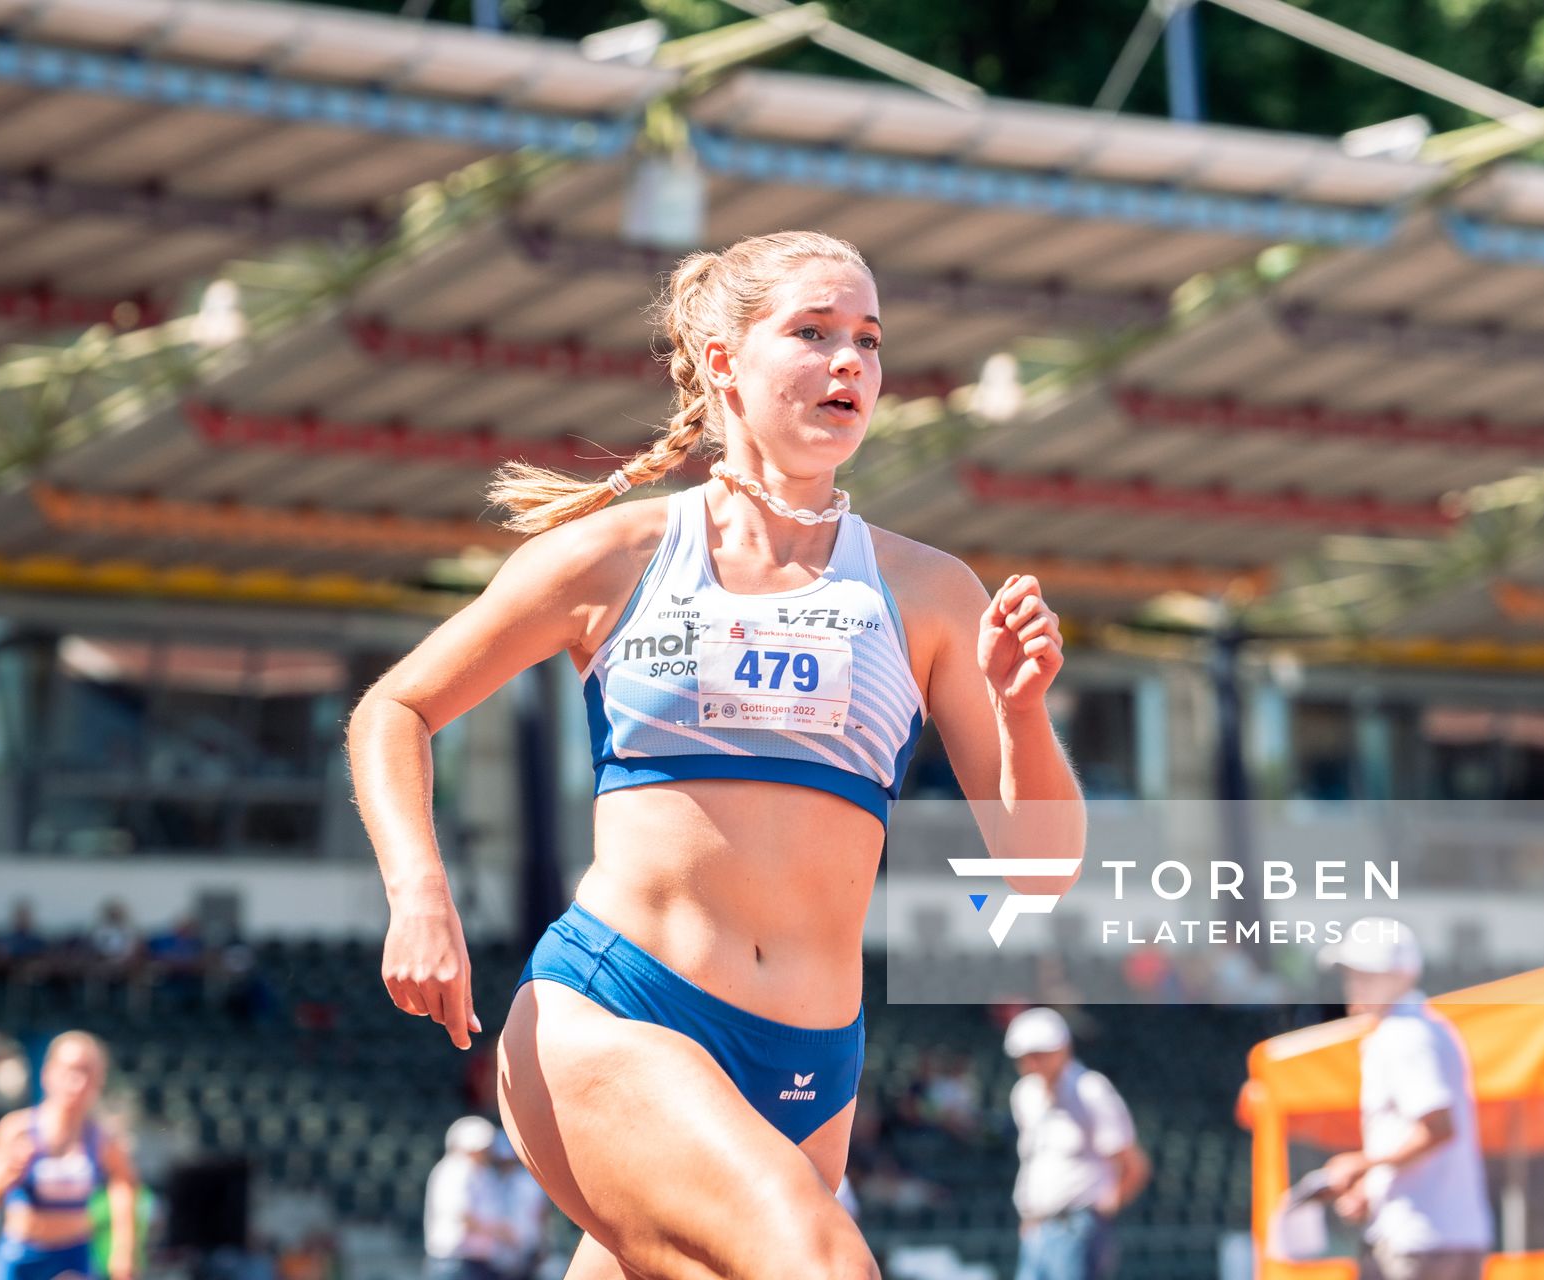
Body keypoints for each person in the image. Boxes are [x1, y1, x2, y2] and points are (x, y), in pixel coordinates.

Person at [348, 228, 1084, 1278]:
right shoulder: (619, 555)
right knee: (827, 1265)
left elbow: (1040, 868)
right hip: (618, 1010)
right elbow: (397, 706)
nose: (850, 364)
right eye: (814, 332)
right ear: (723, 360)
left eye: (869, 341)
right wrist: (419, 890)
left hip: (811, 1068)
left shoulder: (929, 591)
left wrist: (1021, 712)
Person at [1318, 919, 1492, 1280]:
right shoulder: (1427, 1029)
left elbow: (1438, 1127)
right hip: (1441, 1235)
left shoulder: (1403, 1035)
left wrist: (1362, 1164)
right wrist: (1374, 1183)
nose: (1354, 984)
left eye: (1366, 974)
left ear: (1401, 976)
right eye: (1353, 973)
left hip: (1418, 1240)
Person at [0, 1031, 139, 1280]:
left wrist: (124, 1249)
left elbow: (124, 1184)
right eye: (69, 1070)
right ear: (48, 1073)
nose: (77, 1082)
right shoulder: (18, 1129)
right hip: (22, 1256)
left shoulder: (101, 1138)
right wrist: (6, 1172)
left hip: (73, 1258)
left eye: (88, 1072)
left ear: (100, 1080)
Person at [1005, 1007, 1150, 1280]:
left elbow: (1133, 1164)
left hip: (1077, 1228)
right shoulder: (1024, 1095)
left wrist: (1104, 1208)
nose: (1032, 1064)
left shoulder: (1090, 1090)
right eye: (1024, 1057)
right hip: (1037, 1230)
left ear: (1063, 1048)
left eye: (1039, 1054)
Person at [424, 1117, 507, 1280]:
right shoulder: (455, 1169)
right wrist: (500, 1232)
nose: (486, 1152)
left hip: (477, 1260)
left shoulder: (483, 1173)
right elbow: (462, 1214)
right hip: (455, 1260)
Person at [487, 1130, 551, 1280]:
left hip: (527, 1249)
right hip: (495, 1253)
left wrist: (543, 1245)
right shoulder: (489, 1179)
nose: (506, 1162)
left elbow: (541, 1216)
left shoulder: (530, 1182)